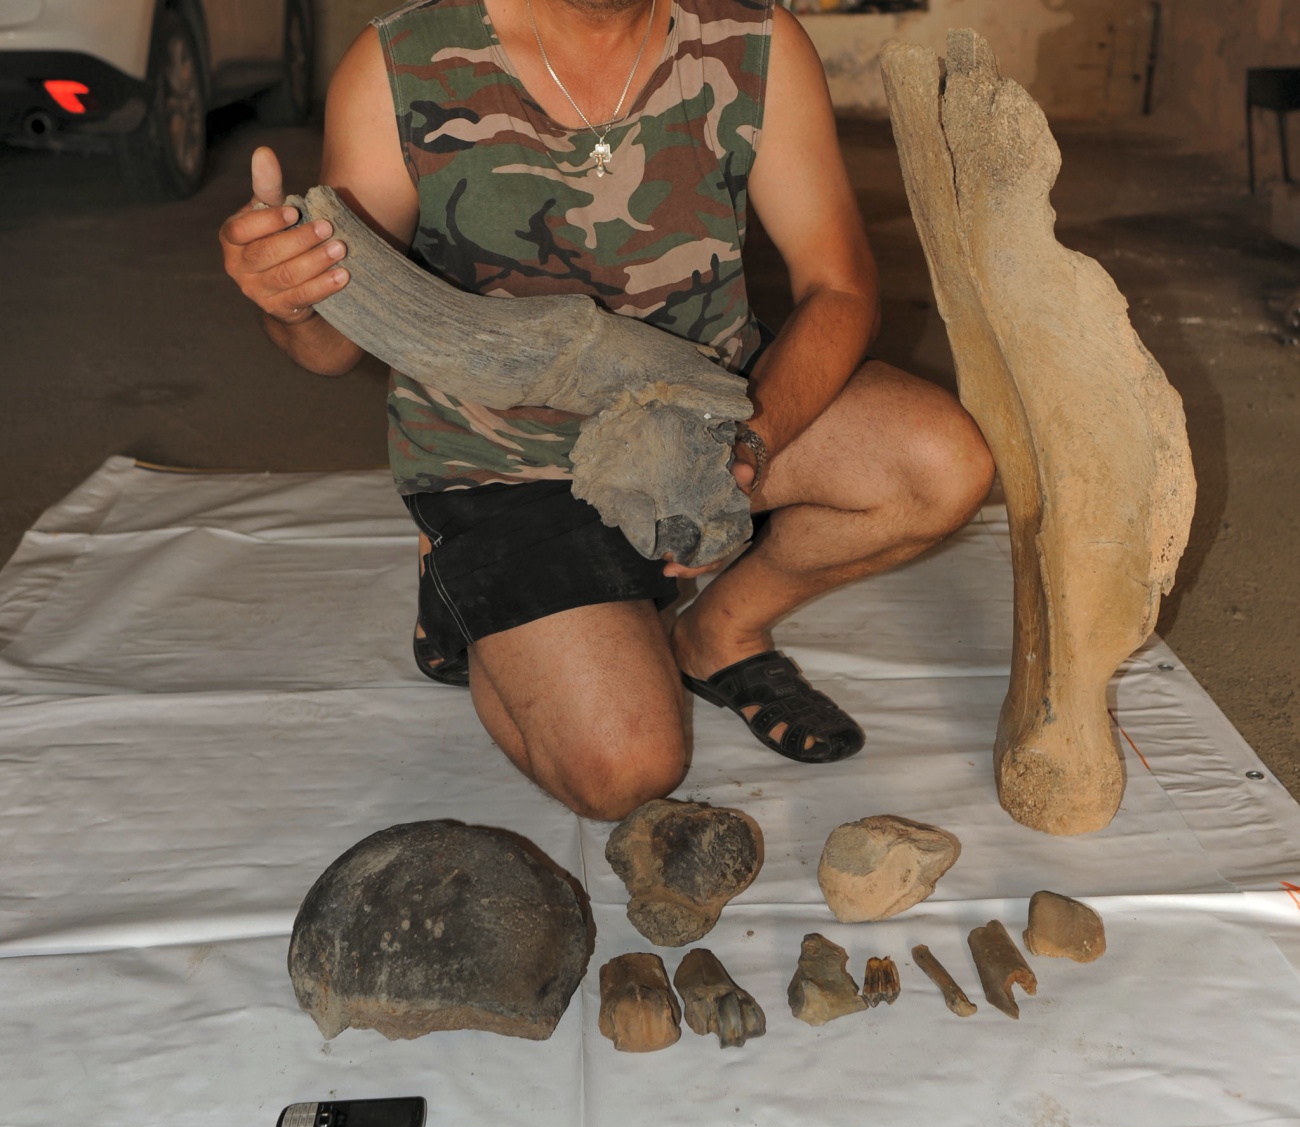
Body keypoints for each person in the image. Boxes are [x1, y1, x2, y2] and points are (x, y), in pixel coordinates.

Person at [220, 0, 993, 822]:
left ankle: (718, 633)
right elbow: (333, 350)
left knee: (939, 466)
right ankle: (464, 594)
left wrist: (746, 445)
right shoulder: (402, 63)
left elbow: (838, 285)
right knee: (626, 770)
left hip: (704, 406)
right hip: (506, 461)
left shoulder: (753, 40)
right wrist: (291, 297)